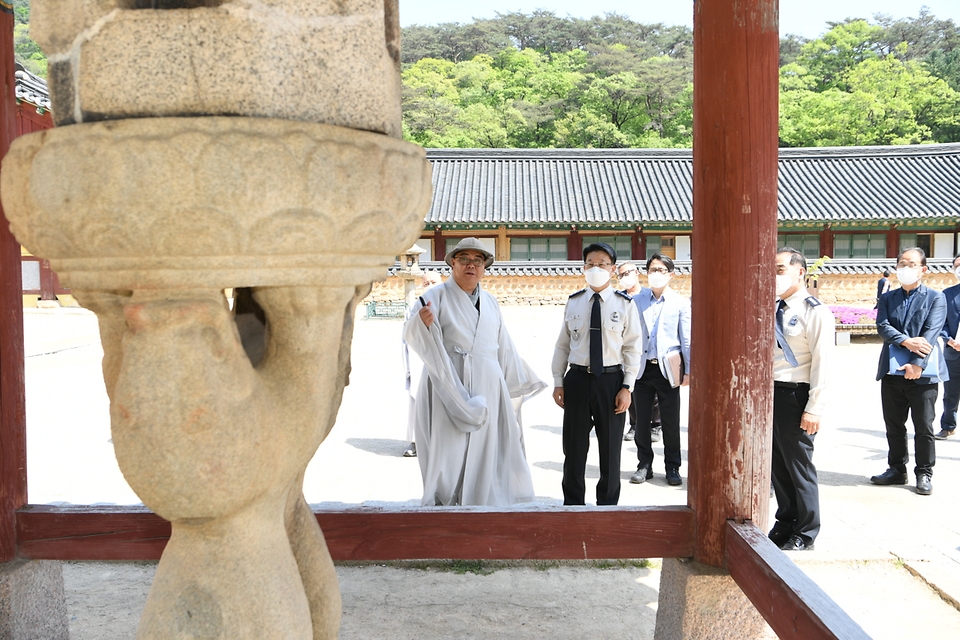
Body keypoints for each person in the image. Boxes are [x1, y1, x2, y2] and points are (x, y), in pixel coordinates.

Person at [403, 238, 545, 506]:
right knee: (450, 449)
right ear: (452, 262)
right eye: (464, 259)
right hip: (448, 383)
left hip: (489, 384)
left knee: (488, 447)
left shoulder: (491, 302)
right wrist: (420, 324)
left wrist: (517, 381)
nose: (471, 265)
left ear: (484, 267)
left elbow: (503, 347)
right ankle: (446, 504)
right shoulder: (434, 296)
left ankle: (485, 503)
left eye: (477, 260)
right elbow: (413, 334)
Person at [552, 243, 643, 505]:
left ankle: (607, 507)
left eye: (602, 263)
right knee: (574, 449)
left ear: (613, 269)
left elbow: (633, 348)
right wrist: (559, 382)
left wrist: (627, 387)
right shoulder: (574, 302)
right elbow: (563, 345)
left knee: (610, 449)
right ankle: (573, 505)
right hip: (578, 380)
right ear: (583, 268)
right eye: (590, 263)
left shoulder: (625, 304)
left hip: (611, 382)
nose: (596, 268)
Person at [768, 247, 835, 552]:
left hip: (797, 394)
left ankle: (806, 531)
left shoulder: (814, 311)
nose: (775, 275)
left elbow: (824, 363)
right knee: (777, 465)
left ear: (800, 272)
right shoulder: (771, 307)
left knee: (799, 465)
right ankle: (785, 522)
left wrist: (815, 408)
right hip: (770, 393)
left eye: (781, 269)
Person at [871, 247, 947, 496]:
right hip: (892, 372)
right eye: (902, 263)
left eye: (911, 264)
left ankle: (924, 471)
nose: (906, 268)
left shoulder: (935, 298)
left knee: (923, 425)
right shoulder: (888, 298)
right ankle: (896, 468)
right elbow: (882, 326)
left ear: (923, 269)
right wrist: (906, 341)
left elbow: (931, 332)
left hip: (923, 374)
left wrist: (916, 362)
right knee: (894, 424)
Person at [627, 254, 691, 487]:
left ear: (671, 274)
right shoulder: (637, 301)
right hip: (642, 369)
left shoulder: (680, 302)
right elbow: (630, 335)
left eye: (661, 270)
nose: (656, 273)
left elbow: (686, 340)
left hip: (668, 369)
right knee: (641, 421)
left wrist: (688, 371)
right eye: (652, 269)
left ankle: (672, 466)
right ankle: (644, 464)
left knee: (671, 421)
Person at [617, 262, 662, 444]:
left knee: (655, 391)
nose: (624, 277)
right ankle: (634, 423)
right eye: (620, 275)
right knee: (630, 386)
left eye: (627, 273)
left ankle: (655, 425)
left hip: (648, 348)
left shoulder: (649, 295)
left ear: (636, 273)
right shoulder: (618, 298)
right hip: (625, 350)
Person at [402, 271, 442, 457]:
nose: (430, 285)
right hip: (420, 358)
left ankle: (441, 443)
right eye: (426, 283)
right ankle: (415, 441)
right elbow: (408, 334)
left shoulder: (451, 301)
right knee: (418, 399)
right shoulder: (415, 305)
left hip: (444, 360)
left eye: (433, 282)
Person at [936, 253, 960, 440]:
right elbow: (941, 324)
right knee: (950, 392)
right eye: (957, 265)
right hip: (953, 351)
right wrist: (948, 339)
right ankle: (948, 425)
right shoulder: (948, 294)